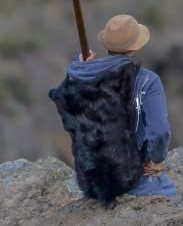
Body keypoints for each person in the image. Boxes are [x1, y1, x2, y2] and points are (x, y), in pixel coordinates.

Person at [66, 14, 176, 198]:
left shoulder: (82, 78)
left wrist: (84, 69)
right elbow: (160, 131)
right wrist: (156, 160)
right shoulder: (148, 81)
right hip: (132, 179)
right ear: (135, 46)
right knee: (169, 195)